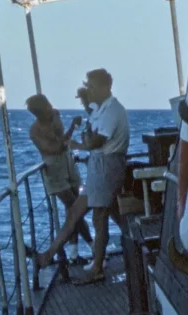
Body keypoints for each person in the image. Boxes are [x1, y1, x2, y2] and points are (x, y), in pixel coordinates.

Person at [38, 69, 129, 285]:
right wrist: (86, 141)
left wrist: (80, 144)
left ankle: (97, 268)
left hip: (107, 166)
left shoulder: (112, 111)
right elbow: (91, 137)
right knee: (75, 214)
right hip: (98, 166)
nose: (89, 90)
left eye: (92, 86)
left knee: (100, 218)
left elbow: (96, 141)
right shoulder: (102, 111)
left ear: (105, 87)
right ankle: (47, 256)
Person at [25, 94, 92, 256]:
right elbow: (53, 149)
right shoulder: (35, 131)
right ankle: (92, 244)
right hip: (53, 168)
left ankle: (73, 251)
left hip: (68, 162)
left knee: (74, 209)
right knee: (74, 207)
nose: (50, 108)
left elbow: (62, 141)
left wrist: (68, 133)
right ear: (38, 113)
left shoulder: (55, 115)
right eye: (45, 108)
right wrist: (71, 128)